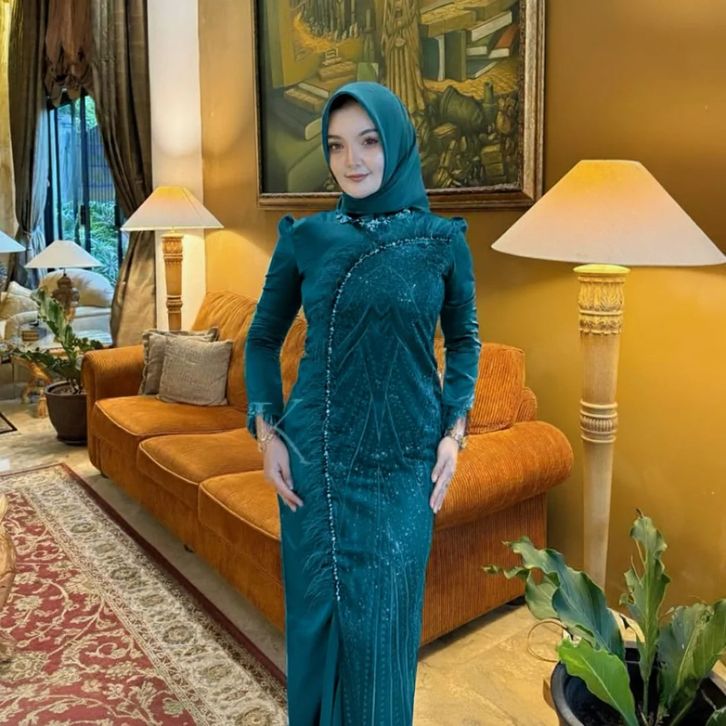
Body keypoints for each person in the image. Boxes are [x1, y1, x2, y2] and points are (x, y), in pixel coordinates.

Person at [244, 81, 481, 726]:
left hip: (404, 469)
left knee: (383, 639)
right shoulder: (307, 237)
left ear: (396, 143)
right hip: (317, 463)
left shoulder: (441, 241)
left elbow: (464, 340)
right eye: (336, 145)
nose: (352, 160)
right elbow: (262, 339)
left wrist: (454, 432)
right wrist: (267, 432)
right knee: (320, 633)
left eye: (369, 142)